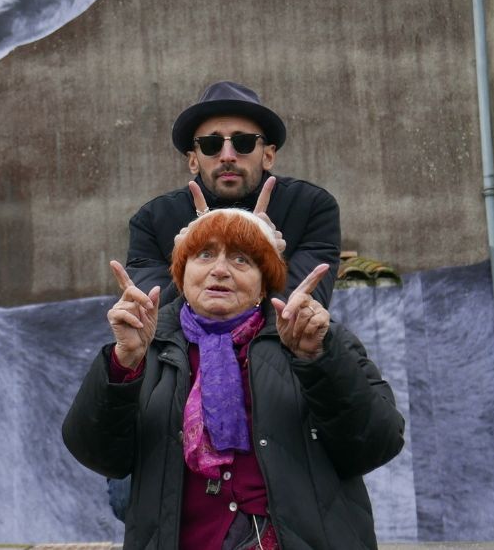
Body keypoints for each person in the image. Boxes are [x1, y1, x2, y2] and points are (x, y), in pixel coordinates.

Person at [64, 208, 404, 549]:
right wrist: (124, 364)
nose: (220, 270)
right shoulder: (146, 345)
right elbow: (98, 454)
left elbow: (376, 444)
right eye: (205, 255)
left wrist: (318, 360)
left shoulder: (313, 336)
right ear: (182, 275)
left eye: (241, 259)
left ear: (262, 284)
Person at [127, 81, 340, 308]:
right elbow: (150, 319)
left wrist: (268, 260)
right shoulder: (152, 219)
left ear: (268, 155)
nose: (227, 156)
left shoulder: (310, 206)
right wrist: (185, 263)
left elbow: (300, 314)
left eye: (244, 142)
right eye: (211, 144)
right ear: (193, 160)